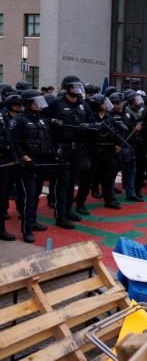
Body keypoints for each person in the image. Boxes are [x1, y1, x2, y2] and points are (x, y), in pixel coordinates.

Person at [48, 76, 94, 229]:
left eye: (78, 87)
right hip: (62, 147)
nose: (77, 90)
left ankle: (68, 210)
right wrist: (54, 122)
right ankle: (60, 216)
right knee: (63, 182)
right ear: (67, 88)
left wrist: (88, 125)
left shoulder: (83, 105)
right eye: (74, 87)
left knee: (72, 181)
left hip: (78, 147)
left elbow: (92, 121)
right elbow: (44, 120)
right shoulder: (56, 104)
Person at [9, 90, 53, 242]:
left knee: (36, 195)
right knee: (29, 197)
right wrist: (24, 157)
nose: (39, 105)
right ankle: (26, 229)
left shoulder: (42, 120)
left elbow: (48, 139)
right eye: (35, 102)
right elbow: (14, 142)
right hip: (26, 165)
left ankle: (33, 222)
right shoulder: (19, 120)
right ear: (27, 103)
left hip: (40, 163)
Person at [0, 110, 17, 241]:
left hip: (3, 163)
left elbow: (8, 137)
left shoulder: (1, 116)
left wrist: (13, 157)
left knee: (2, 197)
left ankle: (1, 229)